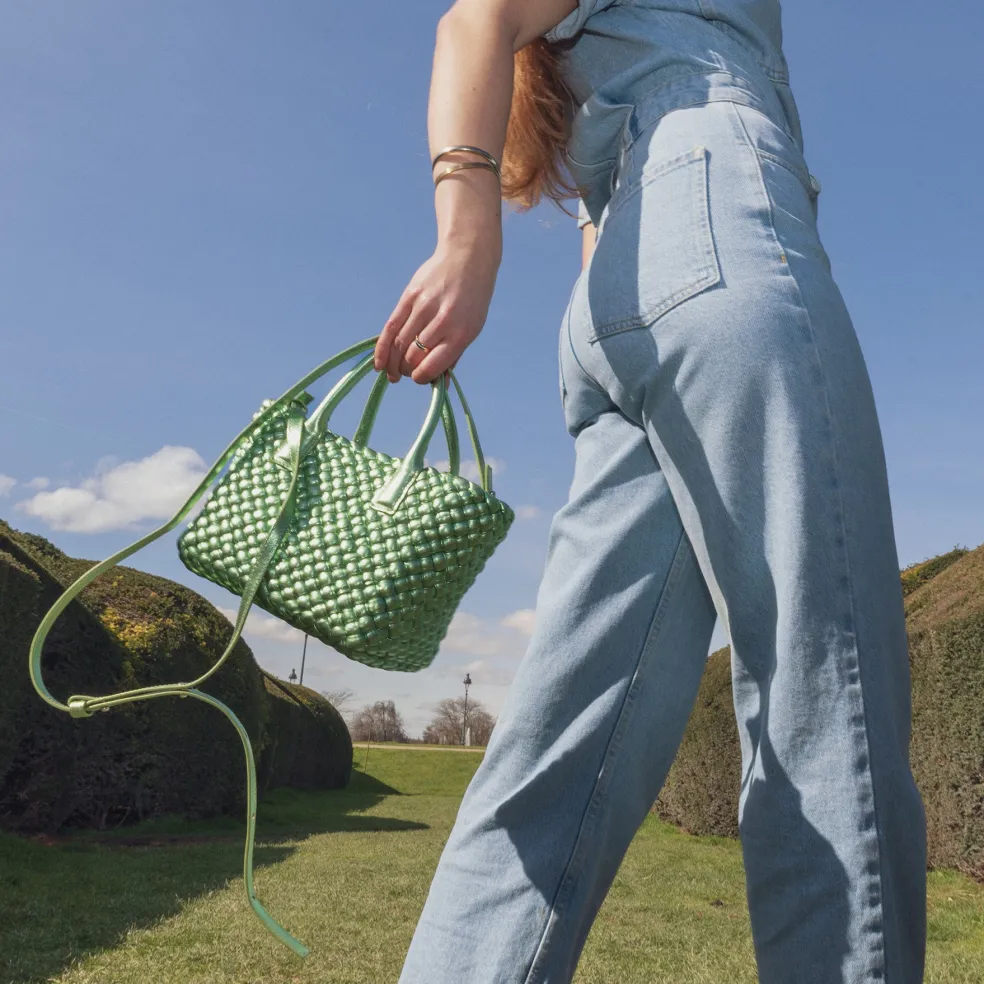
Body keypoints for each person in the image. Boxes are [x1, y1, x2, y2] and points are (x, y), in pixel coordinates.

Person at [373, 1, 927, 982]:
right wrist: (466, 234)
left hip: (617, 302)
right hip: (721, 228)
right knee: (826, 683)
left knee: (559, 753)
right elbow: (478, 15)